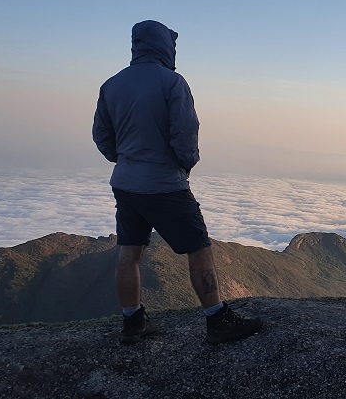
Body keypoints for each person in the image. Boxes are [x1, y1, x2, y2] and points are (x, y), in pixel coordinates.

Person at [92, 20, 262, 345]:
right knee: (199, 248)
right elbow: (185, 136)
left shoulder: (111, 85)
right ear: (164, 46)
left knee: (130, 251)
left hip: (126, 183)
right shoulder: (172, 82)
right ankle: (217, 319)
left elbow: (102, 135)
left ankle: (132, 322)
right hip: (164, 184)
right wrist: (184, 165)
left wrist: (126, 159)